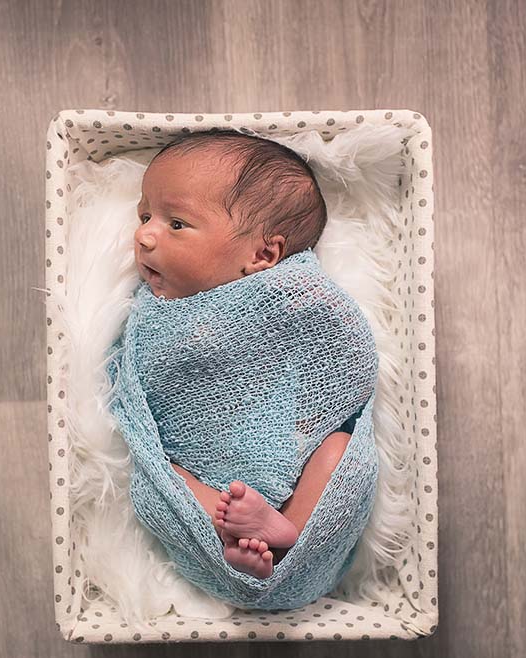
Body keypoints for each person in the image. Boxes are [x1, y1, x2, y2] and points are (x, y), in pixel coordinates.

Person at [131, 129, 370, 580]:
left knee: (339, 450)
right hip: (203, 472)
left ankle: (291, 529)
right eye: (145, 216)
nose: (144, 236)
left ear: (263, 253)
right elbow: (139, 389)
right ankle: (228, 540)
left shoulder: (291, 295)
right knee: (163, 478)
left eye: (175, 224)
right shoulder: (153, 311)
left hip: (292, 458)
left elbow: (341, 357)